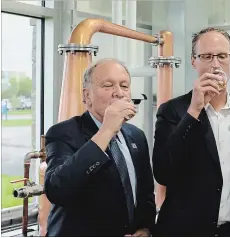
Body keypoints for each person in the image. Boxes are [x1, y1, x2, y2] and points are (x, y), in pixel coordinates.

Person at [152, 27, 230, 237]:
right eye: (206, 57)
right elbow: (163, 172)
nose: (215, 65)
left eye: (222, 56)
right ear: (193, 61)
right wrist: (194, 111)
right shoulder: (173, 111)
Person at [44, 58, 157, 236]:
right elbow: (58, 190)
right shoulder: (63, 132)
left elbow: (145, 193)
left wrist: (145, 227)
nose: (119, 93)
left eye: (124, 86)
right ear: (87, 96)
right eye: (108, 85)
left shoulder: (136, 135)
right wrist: (106, 131)